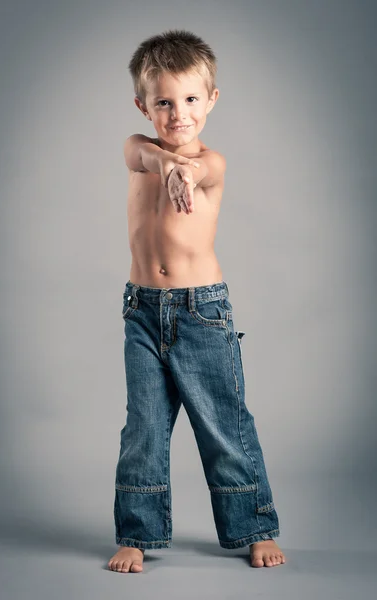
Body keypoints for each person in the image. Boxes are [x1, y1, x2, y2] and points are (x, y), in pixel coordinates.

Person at [108, 29, 286, 573]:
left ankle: (254, 527)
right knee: (143, 427)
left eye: (190, 99)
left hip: (201, 312)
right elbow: (141, 153)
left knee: (224, 426)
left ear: (211, 99)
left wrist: (185, 169)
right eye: (163, 102)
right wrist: (166, 166)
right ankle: (137, 534)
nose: (177, 113)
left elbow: (203, 170)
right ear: (144, 105)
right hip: (142, 311)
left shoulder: (213, 163)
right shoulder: (139, 152)